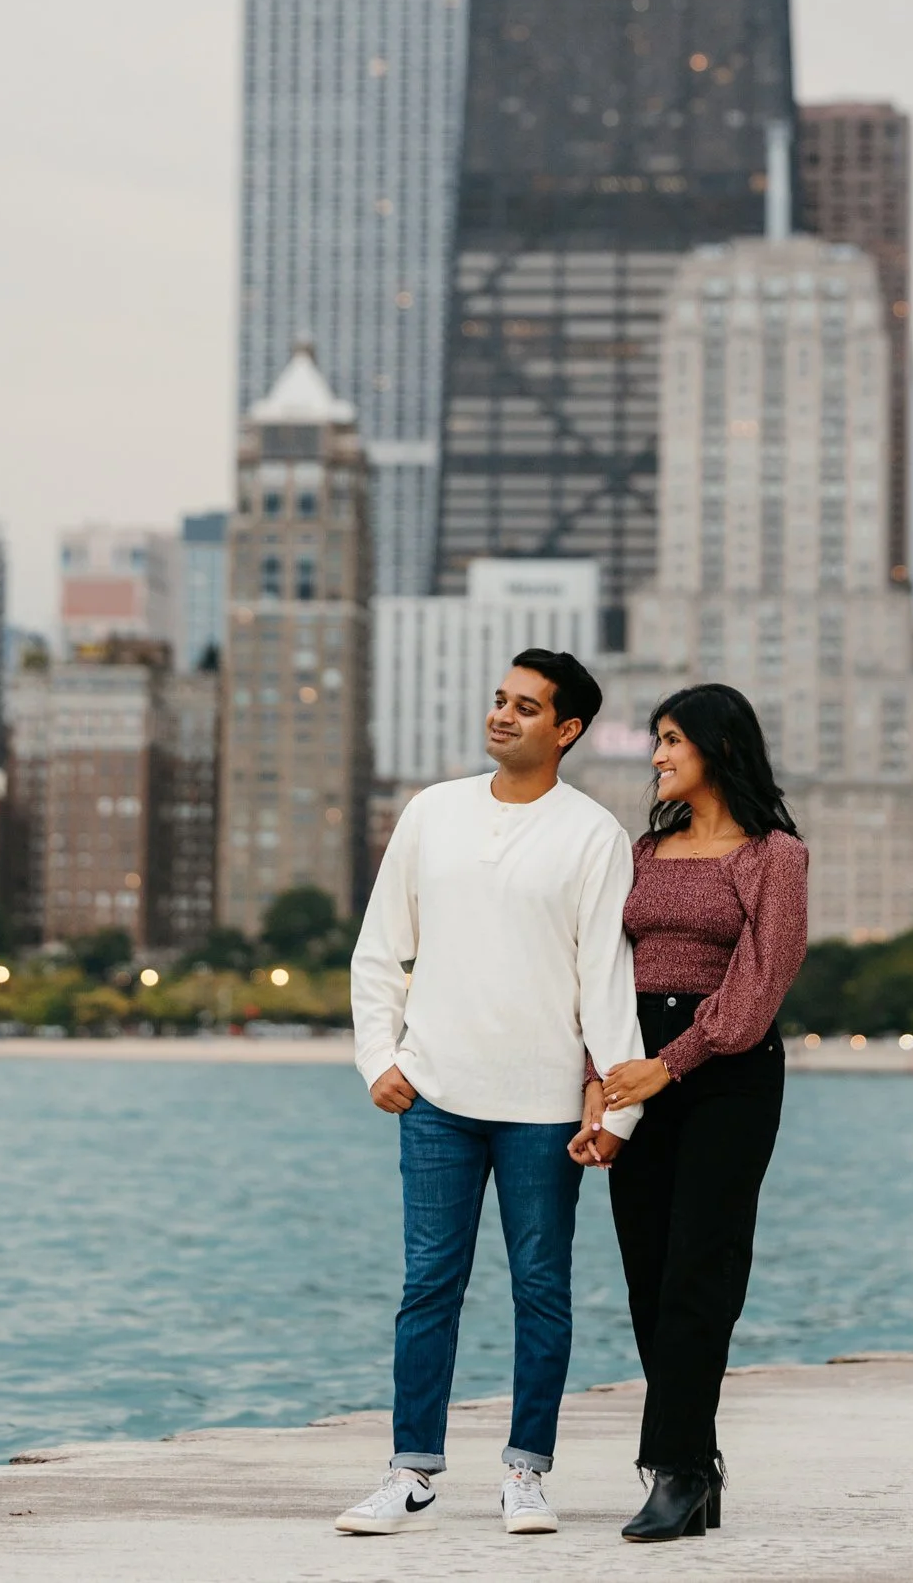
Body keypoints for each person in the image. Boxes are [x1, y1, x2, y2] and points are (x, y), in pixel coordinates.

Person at [337, 649, 646, 1538]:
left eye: (526, 706)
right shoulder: (432, 812)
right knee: (427, 1285)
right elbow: (379, 947)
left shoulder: (592, 836)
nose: (502, 715)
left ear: (568, 729)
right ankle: (410, 1471)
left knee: (541, 1289)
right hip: (434, 1096)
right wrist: (377, 1057)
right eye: (499, 699)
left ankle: (526, 1473)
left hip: (544, 1109)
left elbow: (605, 981)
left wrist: (618, 1108)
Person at [574, 682, 807, 1544]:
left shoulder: (773, 856)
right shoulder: (644, 849)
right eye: (657, 739)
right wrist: (600, 1082)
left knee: (698, 1273)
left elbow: (759, 984)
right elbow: (604, 969)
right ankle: (697, 1467)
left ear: (719, 747)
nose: (658, 754)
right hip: (635, 1066)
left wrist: (667, 1066)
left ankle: (672, 1469)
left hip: (725, 1075)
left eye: (673, 739)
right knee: (647, 1271)